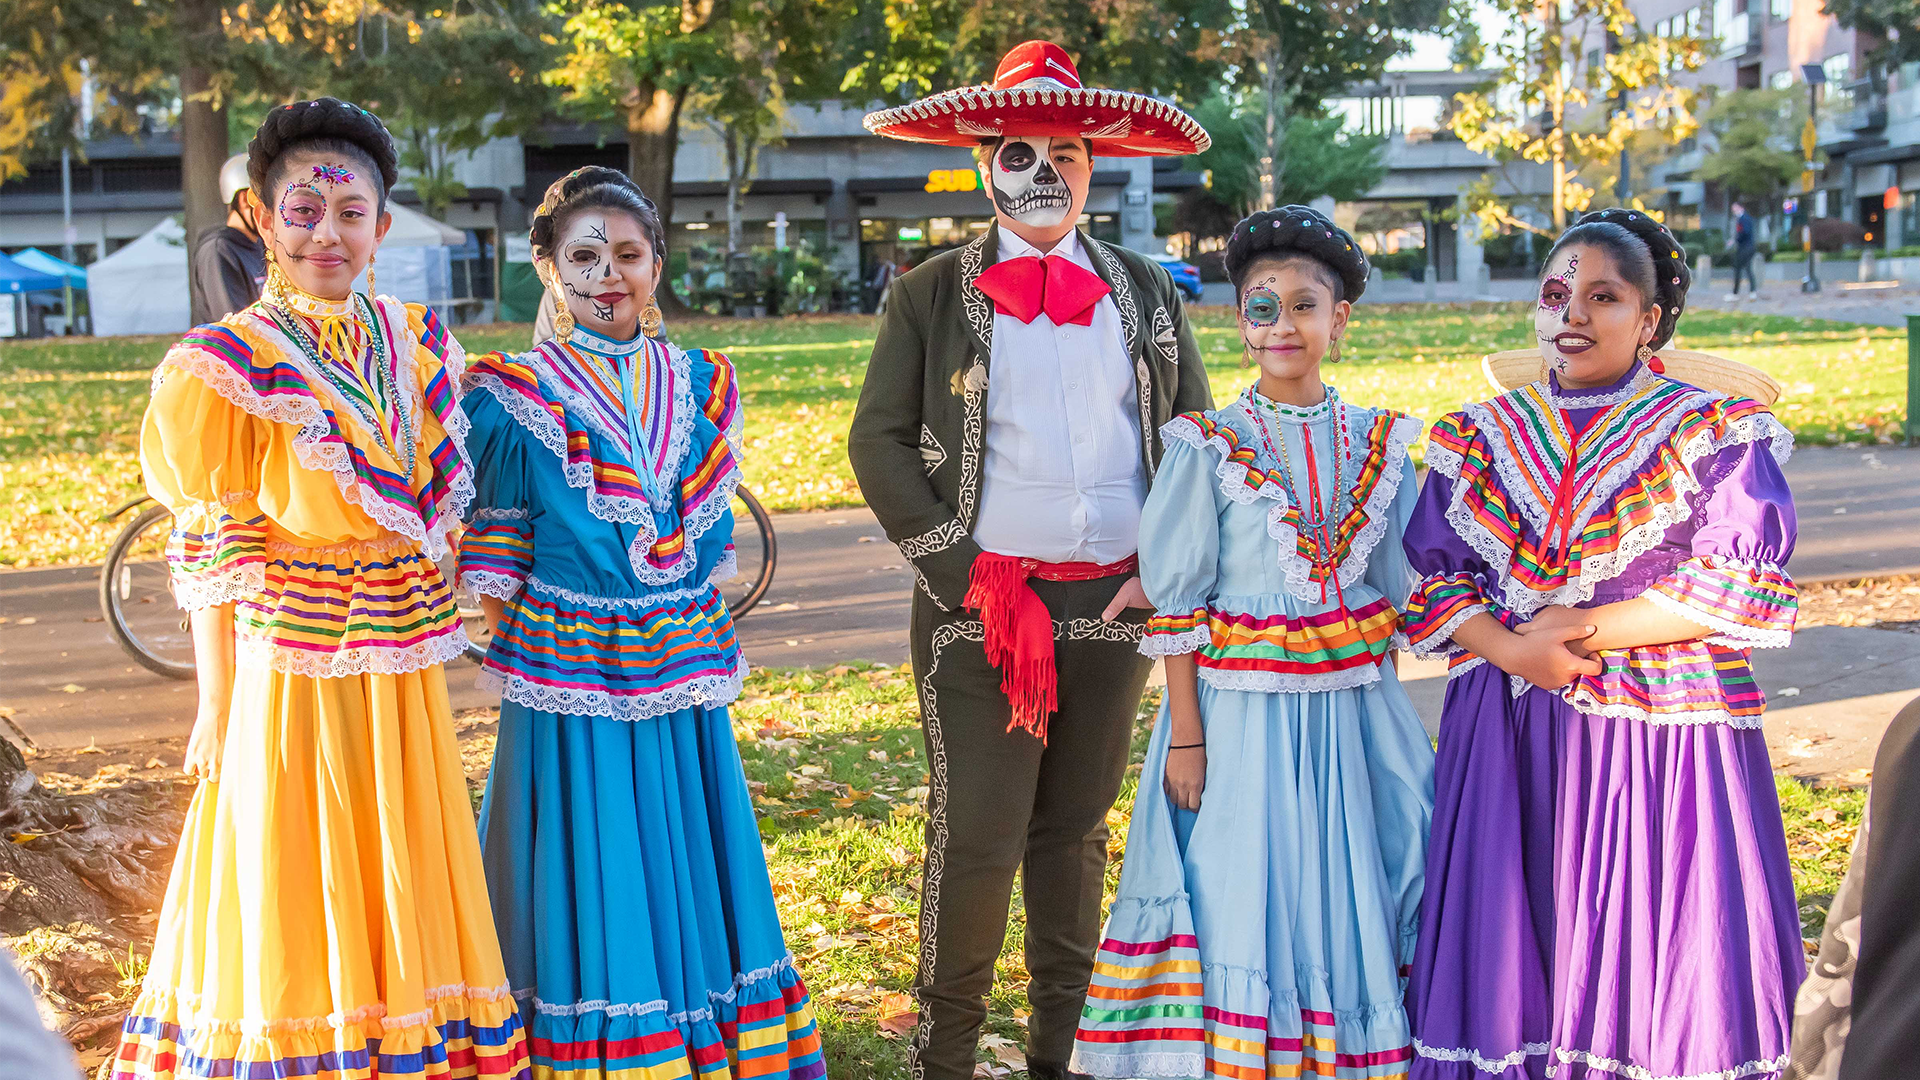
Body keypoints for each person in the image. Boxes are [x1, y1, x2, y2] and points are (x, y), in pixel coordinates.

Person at [112, 98, 529, 1079]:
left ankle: (408, 1035)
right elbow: (212, 538)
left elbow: (442, 500)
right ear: (261, 219)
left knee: (402, 837)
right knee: (294, 851)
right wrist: (214, 703)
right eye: (303, 210)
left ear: (383, 227)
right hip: (288, 657)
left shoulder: (419, 341)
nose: (326, 234)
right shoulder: (226, 364)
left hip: (402, 653)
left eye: (351, 214)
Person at [848, 39, 1214, 1080]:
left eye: (1066, 150)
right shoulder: (928, 294)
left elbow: (1193, 433)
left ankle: (1066, 1058)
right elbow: (875, 440)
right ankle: (947, 1060)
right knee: (978, 837)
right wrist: (959, 574)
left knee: (1075, 836)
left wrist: (1169, 564)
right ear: (983, 164)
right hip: (985, 609)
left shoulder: (1146, 289)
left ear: (1097, 164)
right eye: (1020, 151)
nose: (1045, 171)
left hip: (1118, 604)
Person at [1401, 208, 1802, 1080]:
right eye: (1555, 295)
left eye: (1603, 296)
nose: (1572, 314)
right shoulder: (1478, 433)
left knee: (1654, 921)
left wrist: (1578, 629)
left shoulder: (1711, 430)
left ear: (1649, 320)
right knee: (1527, 923)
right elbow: (1435, 581)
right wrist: (1512, 652)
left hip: (1663, 729)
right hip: (1510, 722)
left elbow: (1735, 582)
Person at [457, 165, 825, 1080]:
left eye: (628, 254)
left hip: (679, 655)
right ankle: (595, 1034)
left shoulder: (702, 383)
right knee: (588, 846)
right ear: (547, 266)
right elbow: (496, 539)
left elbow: (708, 539)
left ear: (657, 264)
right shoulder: (508, 395)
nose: (607, 274)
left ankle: (693, 1016)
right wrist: (468, 617)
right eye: (584, 255)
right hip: (564, 666)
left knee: (686, 836)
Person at [1069, 206, 1433, 1079]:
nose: (1283, 325)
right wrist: (1185, 735)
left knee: (1372, 868)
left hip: (1353, 715)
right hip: (1235, 720)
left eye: (1305, 305)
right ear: (1240, 325)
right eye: (1261, 308)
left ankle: (1347, 1050)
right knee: (1246, 883)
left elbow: (1409, 588)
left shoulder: (1383, 446)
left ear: (1339, 320)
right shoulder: (1210, 445)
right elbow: (1181, 598)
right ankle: (1245, 1054)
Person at [189, 153, 268, 324]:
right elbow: (233, 325)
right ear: (244, 200)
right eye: (267, 199)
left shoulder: (261, 245)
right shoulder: (218, 250)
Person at [1726, 200, 1760, 300]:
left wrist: (1735, 240)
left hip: (1745, 247)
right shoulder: (1744, 218)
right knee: (1748, 269)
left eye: (1735, 208)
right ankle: (1752, 292)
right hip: (1748, 247)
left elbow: (1744, 232)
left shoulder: (1743, 218)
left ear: (1740, 207)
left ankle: (1736, 293)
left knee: (1738, 268)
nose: (1733, 210)